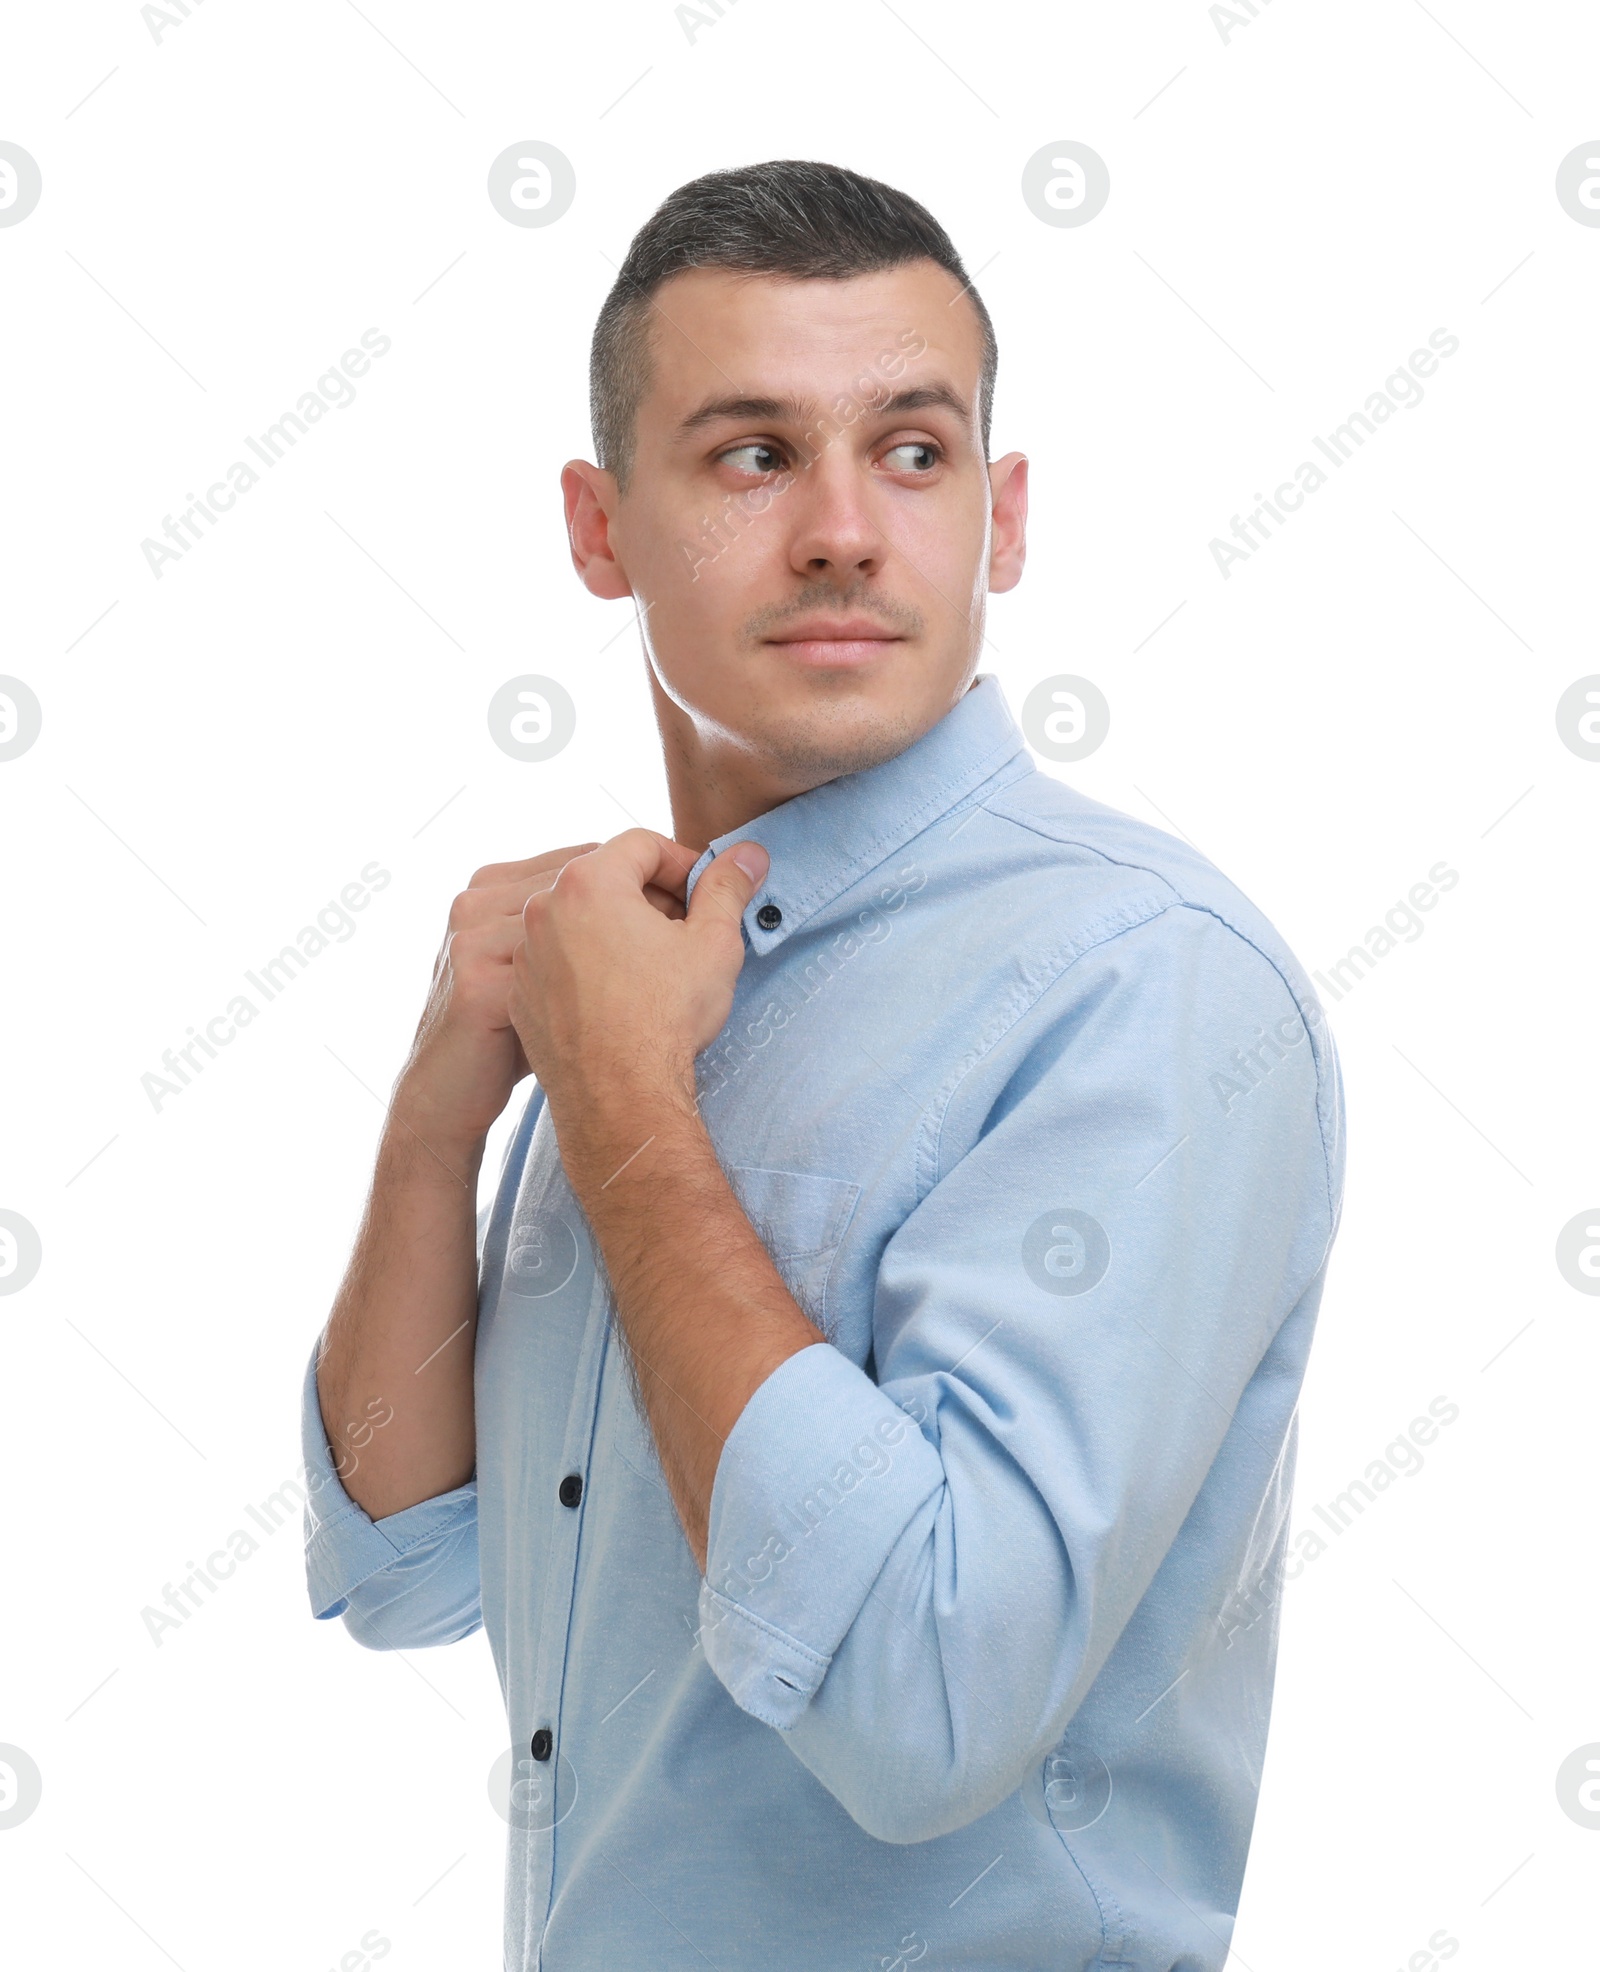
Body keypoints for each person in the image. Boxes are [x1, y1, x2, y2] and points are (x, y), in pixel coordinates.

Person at [303, 158, 1345, 1970]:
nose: (847, 530)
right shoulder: (640, 966)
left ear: (1003, 520)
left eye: (914, 452)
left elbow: (920, 1703)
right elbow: (402, 1570)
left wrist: (619, 1108)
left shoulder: (1145, 989)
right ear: (600, 525)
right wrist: (439, 1116)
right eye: (755, 453)